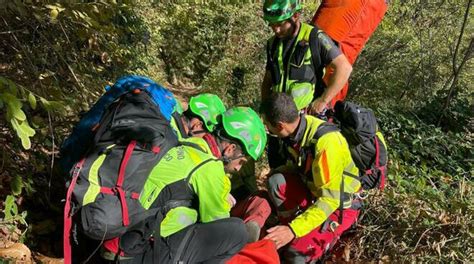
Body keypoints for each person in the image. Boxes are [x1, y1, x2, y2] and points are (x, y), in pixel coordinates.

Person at [106, 107, 268, 263]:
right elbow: (217, 222)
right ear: (230, 149)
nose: (239, 168)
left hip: (121, 237)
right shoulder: (209, 168)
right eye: (242, 161)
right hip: (139, 251)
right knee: (236, 233)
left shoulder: (187, 144)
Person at [260, 93, 361, 263]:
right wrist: (278, 171)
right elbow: (301, 165)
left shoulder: (326, 144)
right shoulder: (300, 128)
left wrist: (293, 230)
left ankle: (312, 242)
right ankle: (290, 232)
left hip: (340, 206)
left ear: (280, 125)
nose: (267, 129)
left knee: (295, 256)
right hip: (315, 193)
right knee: (276, 181)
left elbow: (330, 201)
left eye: (267, 125)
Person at [261, 0, 352, 115]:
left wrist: (323, 100)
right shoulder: (272, 44)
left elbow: (344, 68)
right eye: (272, 25)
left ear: (295, 16)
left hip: (306, 116)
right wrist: (264, 110)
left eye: (280, 24)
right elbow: (268, 80)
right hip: (279, 117)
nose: (276, 30)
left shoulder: (315, 37)